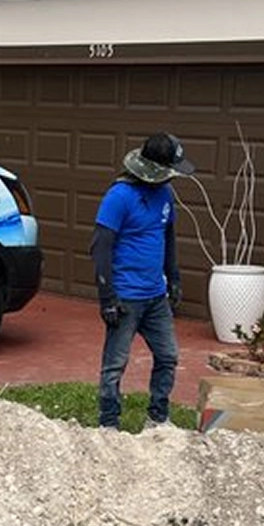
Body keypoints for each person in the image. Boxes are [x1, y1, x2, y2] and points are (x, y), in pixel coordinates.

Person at [90, 132, 192, 429]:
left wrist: (173, 278)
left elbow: (168, 236)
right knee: (114, 365)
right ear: (155, 170)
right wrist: (107, 297)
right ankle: (108, 424)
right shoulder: (119, 197)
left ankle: (157, 418)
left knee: (168, 355)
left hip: (155, 296)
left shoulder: (166, 195)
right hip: (125, 297)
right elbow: (101, 246)